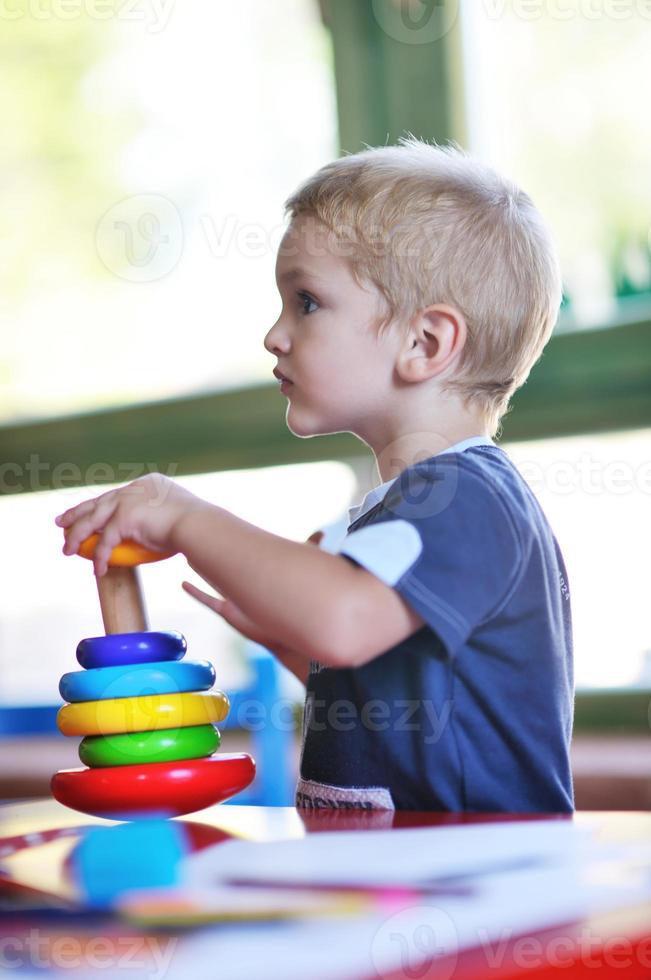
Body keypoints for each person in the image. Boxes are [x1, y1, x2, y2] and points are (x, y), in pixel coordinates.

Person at [56, 137, 574, 813]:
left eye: (305, 302)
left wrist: (185, 516)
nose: (275, 335)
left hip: (485, 896)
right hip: (404, 887)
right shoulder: (402, 509)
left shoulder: (464, 499)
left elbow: (344, 622)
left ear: (425, 344)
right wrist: (282, 633)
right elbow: (377, 687)